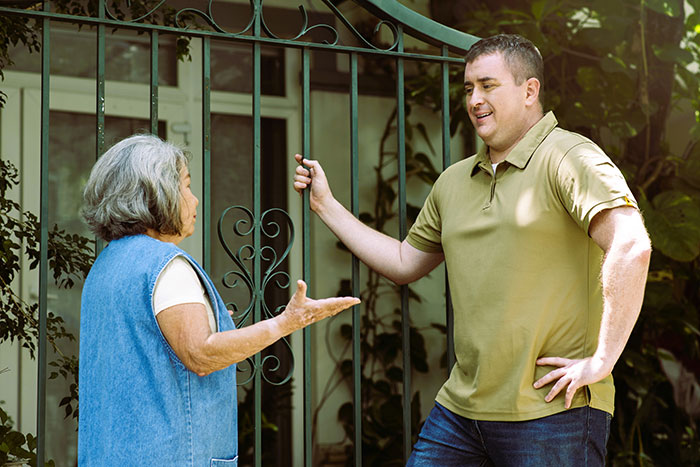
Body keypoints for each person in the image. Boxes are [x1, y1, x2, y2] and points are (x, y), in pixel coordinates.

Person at [293, 34, 651, 466]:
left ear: (530, 90)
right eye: (468, 88)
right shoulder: (453, 181)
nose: (475, 99)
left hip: (553, 412)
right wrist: (326, 206)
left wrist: (602, 360)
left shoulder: (569, 158)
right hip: (460, 413)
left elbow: (630, 246)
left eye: (488, 85)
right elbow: (406, 262)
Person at [78, 134, 360, 466]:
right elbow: (201, 355)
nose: (195, 200)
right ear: (157, 194)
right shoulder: (166, 264)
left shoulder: (107, 264)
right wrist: (287, 322)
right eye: (186, 186)